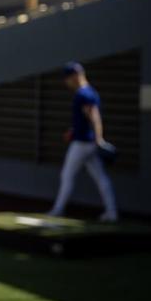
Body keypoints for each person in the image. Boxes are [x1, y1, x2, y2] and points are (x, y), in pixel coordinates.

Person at [46, 60, 118, 222]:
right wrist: (75, 131)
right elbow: (87, 120)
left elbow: (94, 117)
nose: (67, 82)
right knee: (101, 178)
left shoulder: (83, 94)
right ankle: (111, 212)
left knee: (67, 175)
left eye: (68, 77)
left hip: (82, 144)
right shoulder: (90, 92)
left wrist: (99, 139)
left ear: (76, 76)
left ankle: (57, 210)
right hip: (88, 142)